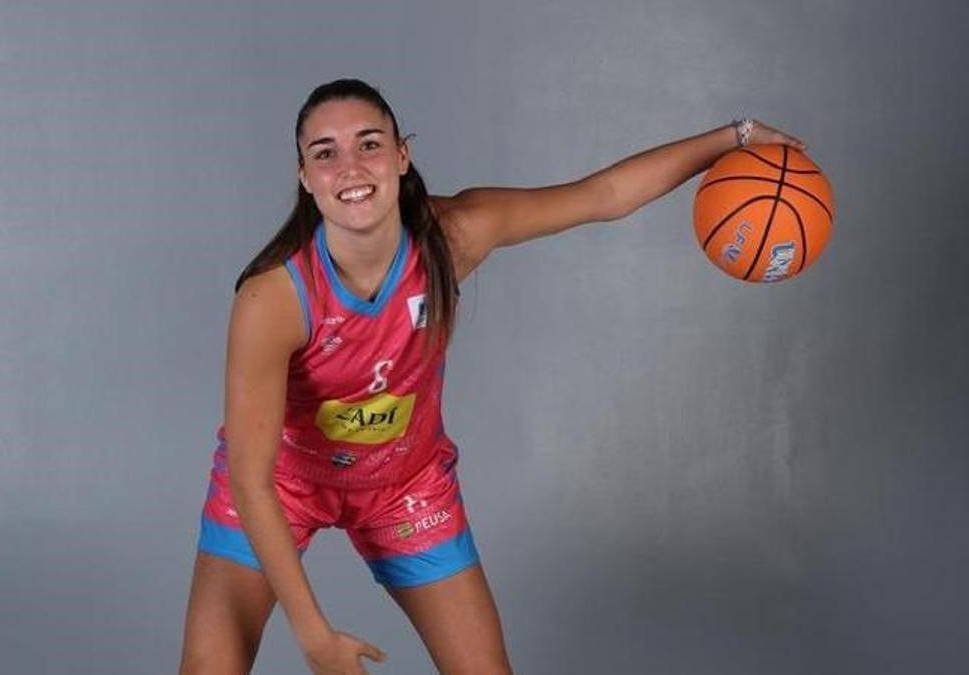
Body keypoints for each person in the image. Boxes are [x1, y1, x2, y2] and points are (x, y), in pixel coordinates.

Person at [178, 78, 805, 674]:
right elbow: (252, 480)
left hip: (404, 483)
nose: (350, 168)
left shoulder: (451, 238)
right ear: (305, 176)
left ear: (401, 156)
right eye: (325, 153)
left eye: (369, 144)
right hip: (283, 483)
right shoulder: (273, 298)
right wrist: (315, 635)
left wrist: (737, 137)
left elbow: (603, 195)